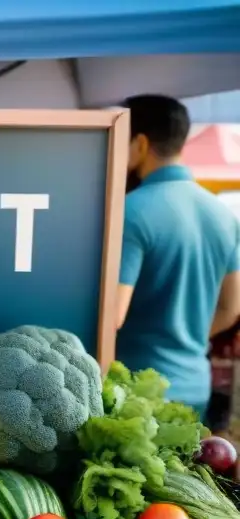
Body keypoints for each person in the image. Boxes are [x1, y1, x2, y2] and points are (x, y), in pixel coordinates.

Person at [117, 95, 240, 421]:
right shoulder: (223, 215)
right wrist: (187, 336)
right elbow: (230, 310)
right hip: (195, 385)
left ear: (140, 143)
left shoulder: (131, 211)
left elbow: (112, 313)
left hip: (135, 389)